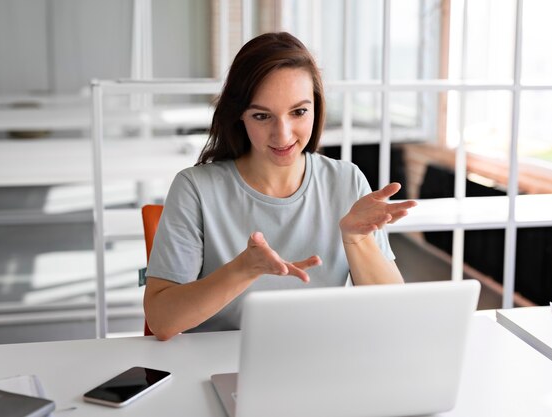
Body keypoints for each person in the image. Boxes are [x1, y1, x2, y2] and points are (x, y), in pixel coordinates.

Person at [144, 32, 417, 341]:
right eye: (262, 116)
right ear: (240, 117)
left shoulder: (346, 181)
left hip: (319, 362)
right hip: (221, 369)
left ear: (316, 107)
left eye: (299, 112)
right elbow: (161, 320)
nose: (283, 135)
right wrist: (243, 269)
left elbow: (396, 312)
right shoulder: (195, 188)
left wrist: (356, 240)